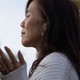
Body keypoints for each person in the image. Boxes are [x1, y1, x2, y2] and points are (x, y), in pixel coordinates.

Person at [0, 0, 80, 80]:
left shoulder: (56, 62)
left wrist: (16, 77)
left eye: (28, 15)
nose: (22, 23)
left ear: (46, 24)